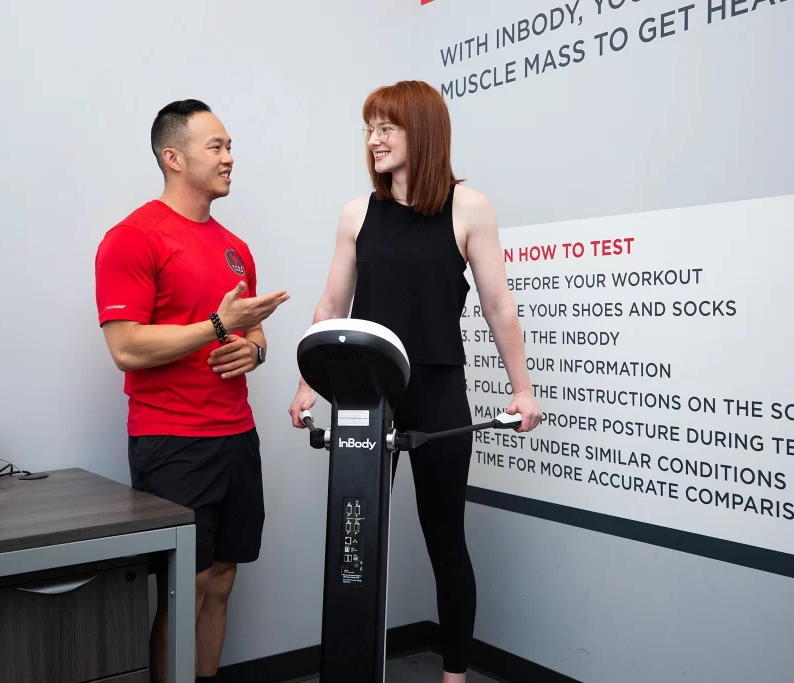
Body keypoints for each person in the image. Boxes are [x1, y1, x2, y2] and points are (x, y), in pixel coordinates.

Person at [288, 80, 543, 683]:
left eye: (387, 127)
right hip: (366, 390)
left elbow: (498, 304)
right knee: (357, 540)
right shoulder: (358, 212)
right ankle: (353, 667)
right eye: (369, 129)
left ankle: (454, 676)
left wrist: (523, 389)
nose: (373, 140)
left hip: (436, 388)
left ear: (422, 131)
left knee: (445, 540)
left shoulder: (469, 207)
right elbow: (331, 304)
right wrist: (308, 384)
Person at [95, 99, 289, 683]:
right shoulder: (132, 239)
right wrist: (217, 327)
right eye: (217, 147)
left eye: (230, 146)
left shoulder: (235, 246)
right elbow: (126, 348)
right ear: (172, 157)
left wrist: (252, 349)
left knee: (223, 579)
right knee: (188, 586)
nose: (230, 157)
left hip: (236, 437)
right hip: (171, 441)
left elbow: (254, 334)